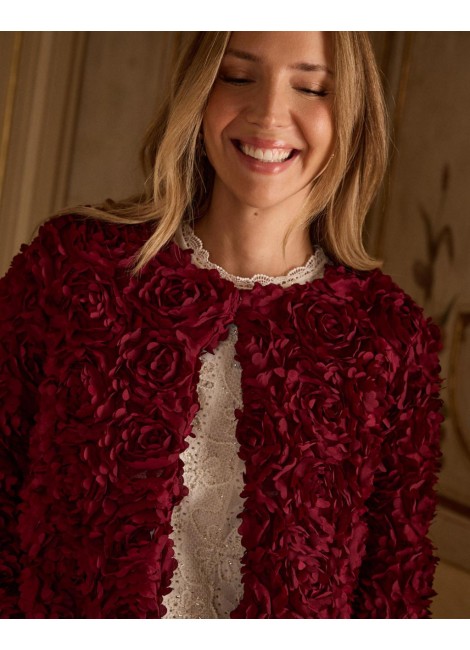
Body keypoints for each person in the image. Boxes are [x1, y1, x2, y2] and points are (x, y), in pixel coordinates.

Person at [0, 31, 444, 619]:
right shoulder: (72, 268)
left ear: (353, 115)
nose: (269, 113)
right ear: (199, 92)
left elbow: (394, 592)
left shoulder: (391, 338)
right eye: (238, 77)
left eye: (312, 88)